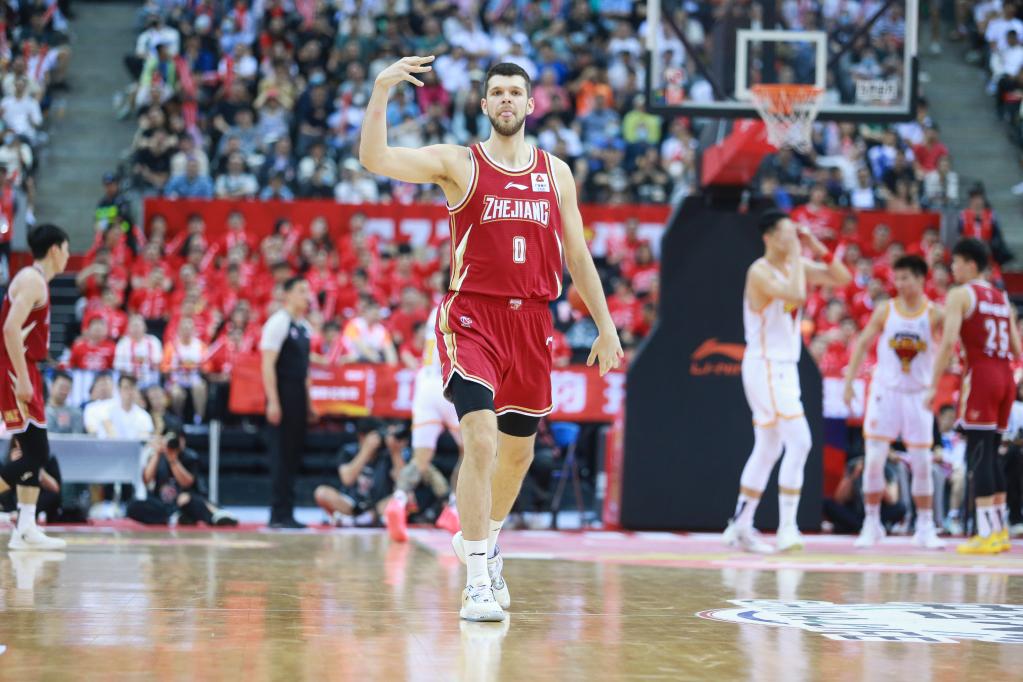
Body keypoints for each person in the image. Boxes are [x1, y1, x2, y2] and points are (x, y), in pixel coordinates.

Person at [360, 58, 623, 621]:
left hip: (532, 321)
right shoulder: (460, 163)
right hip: (473, 316)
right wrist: (381, 91)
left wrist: (605, 324)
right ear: (484, 105)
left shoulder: (556, 173)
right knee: (479, 439)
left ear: (531, 104)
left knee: (518, 452)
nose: (506, 99)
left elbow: (578, 256)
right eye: (497, 92)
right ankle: (476, 580)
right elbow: (375, 158)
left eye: (514, 92)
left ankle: (486, 540)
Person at [723, 209, 851, 554]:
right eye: (787, 231)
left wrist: (816, 246)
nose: (793, 235)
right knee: (800, 441)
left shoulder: (795, 265)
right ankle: (788, 528)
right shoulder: (760, 271)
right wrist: (798, 254)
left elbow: (842, 278)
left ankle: (739, 525)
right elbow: (796, 296)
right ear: (769, 237)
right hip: (767, 364)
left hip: (782, 367)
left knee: (768, 447)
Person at [842, 255, 945, 549]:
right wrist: (849, 382)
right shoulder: (886, 310)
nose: (899, 283)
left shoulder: (935, 314)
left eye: (905, 278)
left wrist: (937, 384)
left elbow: (950, 345)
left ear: (920, 279)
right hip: (885, 391)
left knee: (922, 462)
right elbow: (863, 343)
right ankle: (871, 522)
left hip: (918, 393)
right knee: (874, 459)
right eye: (896, 278)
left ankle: (925, 526)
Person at [926, 238, 1021, 554]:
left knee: (978, 455)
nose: (952, 268)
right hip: (1005, 376)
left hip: (982, 376)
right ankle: (999, 531)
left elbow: (948, 341)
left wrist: (932, 384)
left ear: (969, 263)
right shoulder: (1001, 296)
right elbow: (1016, 348)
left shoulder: (960, 294)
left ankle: (985, 532)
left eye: (955, 262)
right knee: (992, 453)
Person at [0, 223, 70, 549]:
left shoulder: (37, 281)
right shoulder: (32, 279)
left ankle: (25, 528)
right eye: (66, 249)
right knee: (37, 453)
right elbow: (10, 329)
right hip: (16, 371)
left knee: (31, 452)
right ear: (55, 249)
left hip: (26, 368)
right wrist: (24, 378)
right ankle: (25, 525)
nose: (67, 256)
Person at [384, 304, 463, 542]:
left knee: (420, 459)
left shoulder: (435, 309)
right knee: (471, 452)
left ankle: (398, 500)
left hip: (425, 384)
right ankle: (454, 508)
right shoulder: (463, 303)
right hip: (449, 382)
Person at [260, 276, 314, 529]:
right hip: (282, 393)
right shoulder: (278, 322)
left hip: (298, 395)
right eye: (301, 290)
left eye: (307, 291)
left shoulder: (304, 326)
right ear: (288, 294)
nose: (307, 295)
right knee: (280, 454)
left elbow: (305, 369)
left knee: (293, 454)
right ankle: (277, 513)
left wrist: (309, 403)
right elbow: (267, 364)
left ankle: (288, 512)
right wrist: (273, 401)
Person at [126, 430, 237, 526]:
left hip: (187, 501)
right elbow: (146, 480)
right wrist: (157, 454)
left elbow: (187, 483)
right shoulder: (159, 457)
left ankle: (214, 517)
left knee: (188, 500)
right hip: (164, 504)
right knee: (133, 506)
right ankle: (173, 518)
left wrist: (173, 461)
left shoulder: (190, 457)